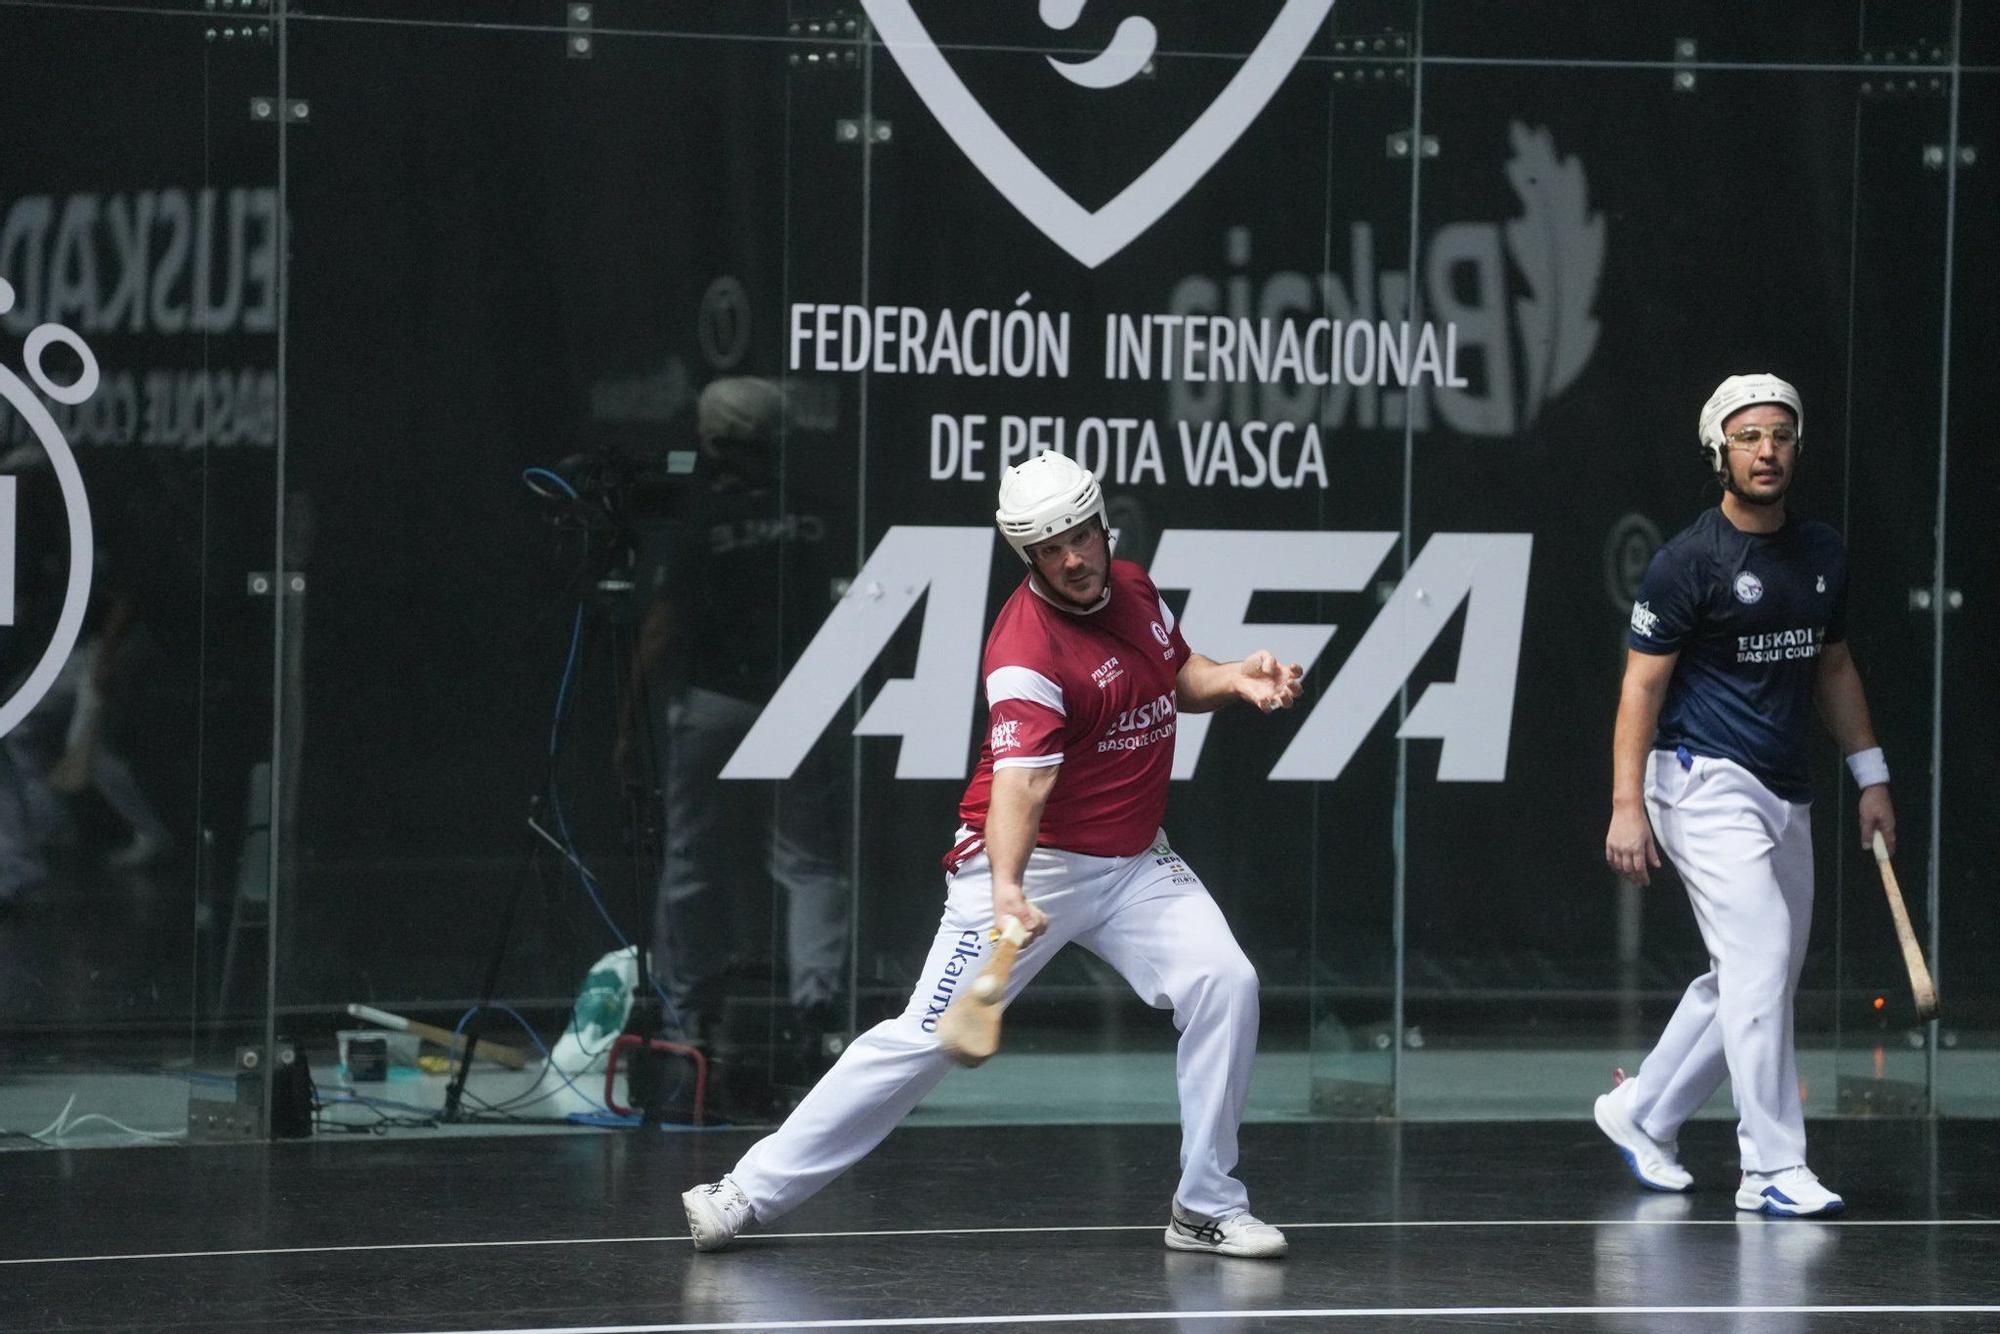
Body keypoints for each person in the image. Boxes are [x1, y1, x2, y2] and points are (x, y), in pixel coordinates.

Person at [681, 450, 1304, 1257]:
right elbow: (1023, 785)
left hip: (1133, 864)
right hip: (1022, 864)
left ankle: (1206, 1206)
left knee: (1226, 982)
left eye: (1080, 536)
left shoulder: (1136, 587)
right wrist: (1007, 885)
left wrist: (1237, 680)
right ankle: (744, 1194)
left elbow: (1175, 673)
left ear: (1099, 522)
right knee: (928, 1037)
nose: (1073, 558)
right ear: (1027, 554)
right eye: (1051, 549)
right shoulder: (1025, 652)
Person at [1599, 374, 1895, 1218]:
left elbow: (1833, 667)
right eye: (1748, 437)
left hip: (1786, 788)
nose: (1766, 451)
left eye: (1780, 436)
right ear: (1719, 450)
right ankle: (1769, 1165)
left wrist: (1870, 777)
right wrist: (1628, 805)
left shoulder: (1823, 554)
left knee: (1754, 975)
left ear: (1797, 447)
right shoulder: (1687, 563)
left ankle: (1643, 1111)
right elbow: (1640, 691)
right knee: (1760, 955)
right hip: (1698, 778)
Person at [619, 377, 850, 1108]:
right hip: (803, 696)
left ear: (714, 442)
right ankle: (819, 1015)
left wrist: (627, 721)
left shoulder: (699, 516)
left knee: (691, 855)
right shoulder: (819, 511)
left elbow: (660, 628)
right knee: (810, 861)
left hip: (717, 703)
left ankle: (684, 1017)